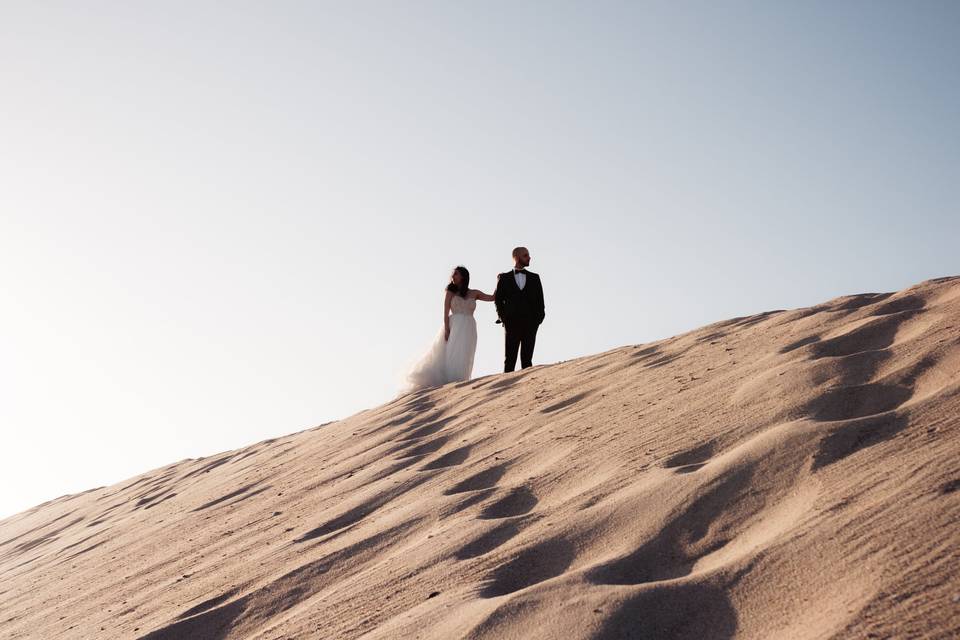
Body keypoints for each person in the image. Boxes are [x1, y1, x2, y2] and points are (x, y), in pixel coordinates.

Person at [404, 266, 495, 389]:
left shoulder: (474, 293)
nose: (453, 276)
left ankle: (460, 379)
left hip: (469, 326)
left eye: (456, 274)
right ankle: (450, 380)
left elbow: (492, 298)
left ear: (463, 276)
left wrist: (499, 282)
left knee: (464, 353)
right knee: (452, 351)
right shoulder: (450, 292)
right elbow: (446, 311)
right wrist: (447, 329)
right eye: (453, 274)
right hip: (454, 324)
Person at [494, 247, 545, 372]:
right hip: (511, 322)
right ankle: (505, 389)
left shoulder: (535, 277)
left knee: (527, 360)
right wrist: (503, 318)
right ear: (517, 258)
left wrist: (538, 319)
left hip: (531, 323)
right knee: (509, 360)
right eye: (525, 255)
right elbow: (498, 300)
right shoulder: (504, 278)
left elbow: (540, 300)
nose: (529, 258)